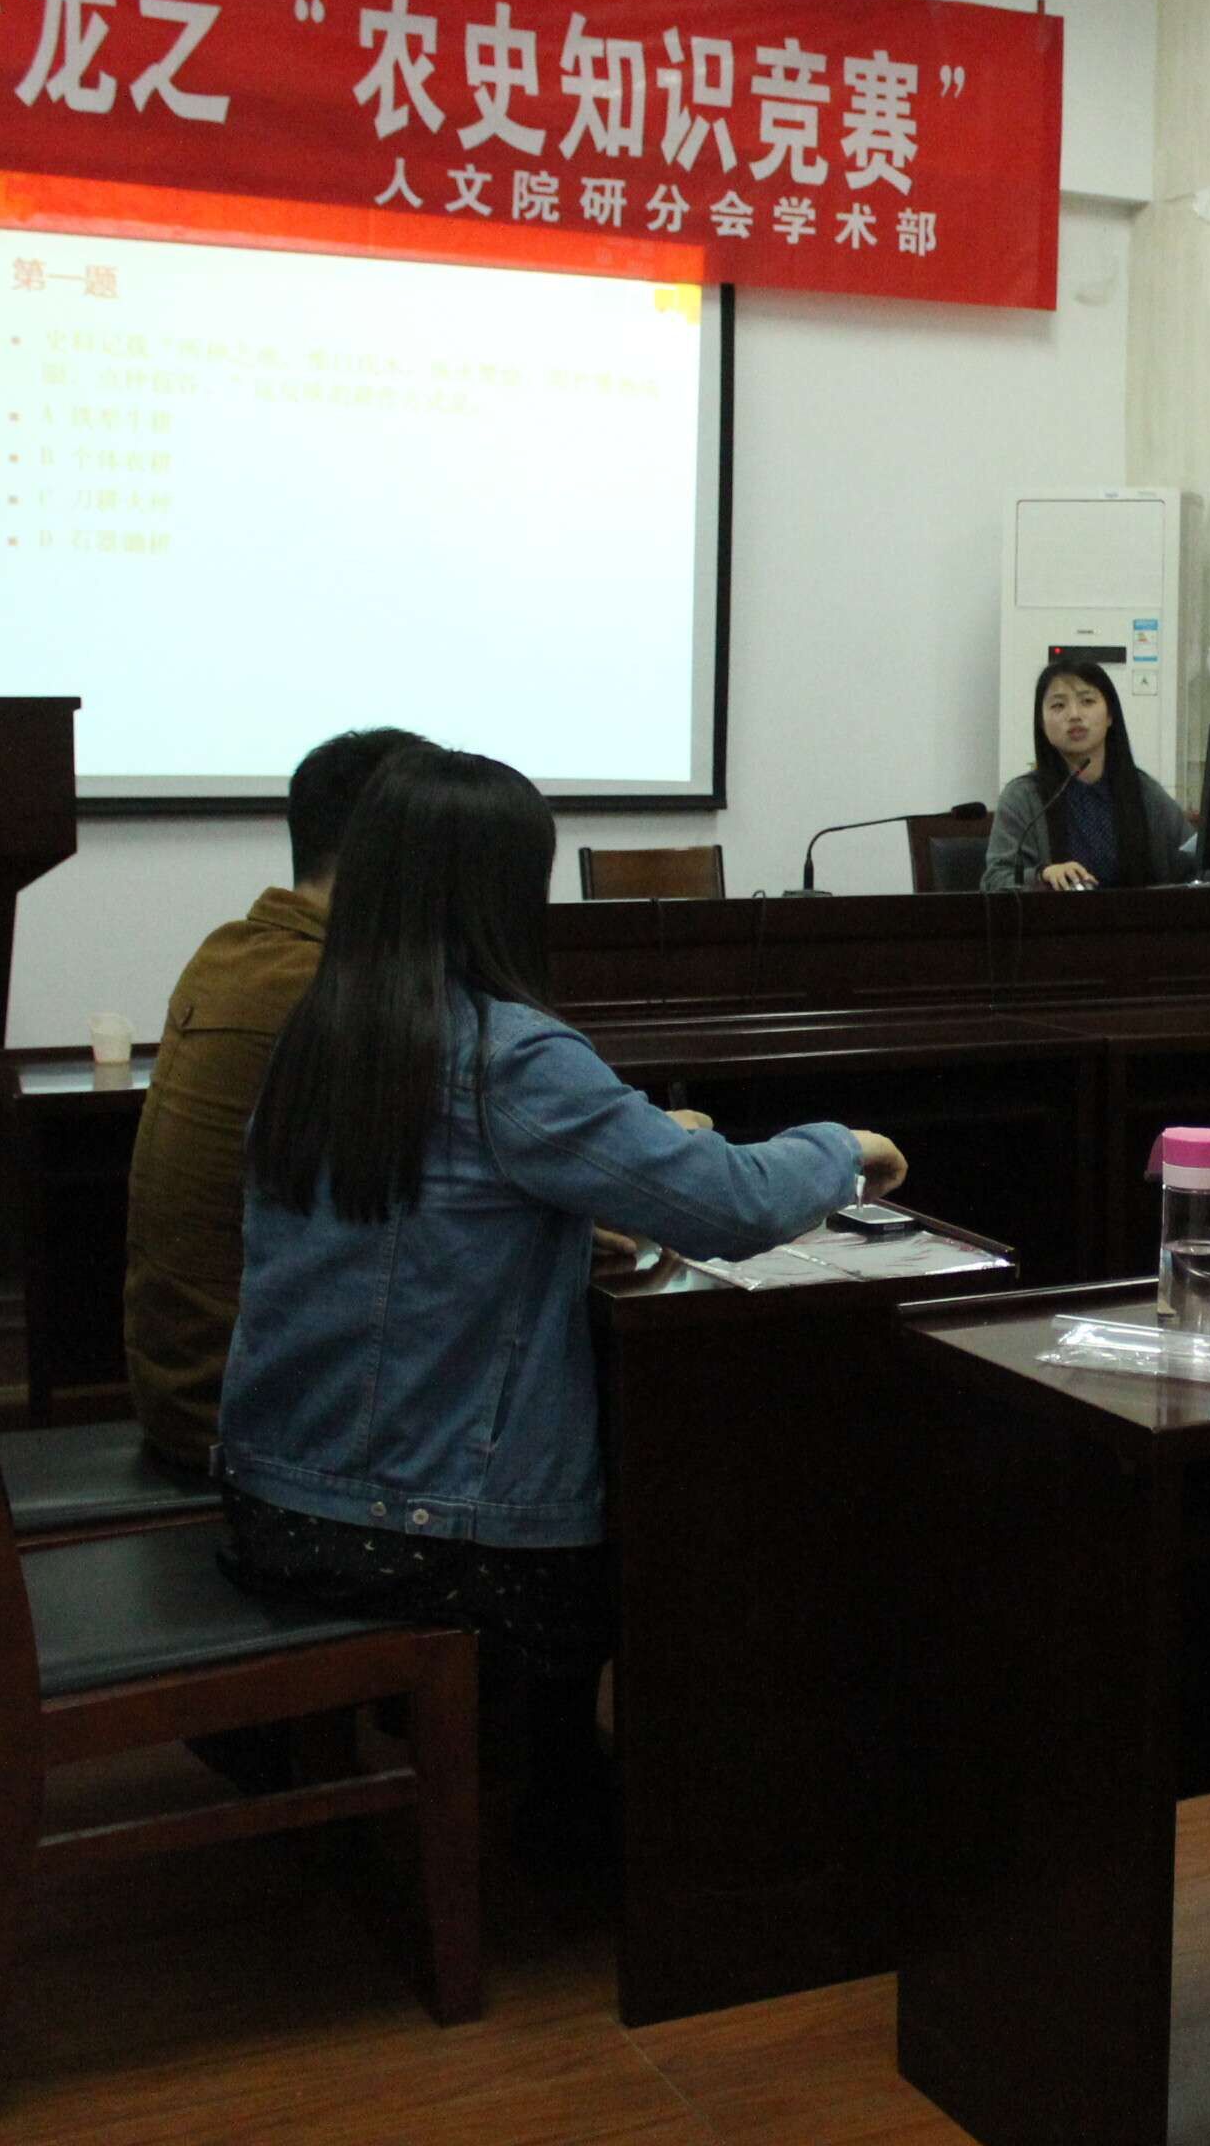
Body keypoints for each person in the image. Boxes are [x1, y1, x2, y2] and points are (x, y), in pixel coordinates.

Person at [214, 743, 907, 1801]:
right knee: (690, 1544)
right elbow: (728, 1205)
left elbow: (402, 1229)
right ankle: (584, 1818)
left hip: (273, 1496)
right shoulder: (509, 1054)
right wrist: (842, 1149)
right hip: (429, 1534)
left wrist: (554, 1230)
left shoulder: (319, 1032)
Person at [123, 726, 423, 1472]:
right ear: (394, 853)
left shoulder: (230, 951)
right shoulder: (327, 990)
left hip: (181, 1387)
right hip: (249, 1416)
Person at [981, 659, 1198, 892]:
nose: (1074, 715)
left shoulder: (1143, 791)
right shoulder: (1022, 797)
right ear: (1042, 724)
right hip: (1057, 915)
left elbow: (1193, 863)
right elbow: (995, 880)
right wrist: (1043, 875)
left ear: (1110, 716)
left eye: (1087, 701)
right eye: (1058, 705)